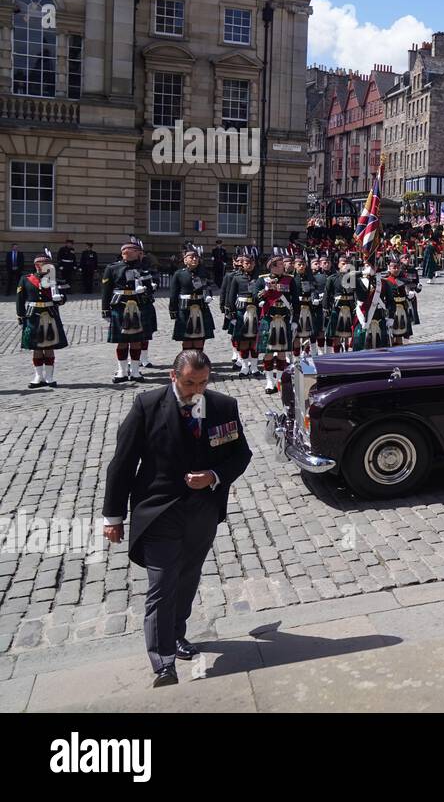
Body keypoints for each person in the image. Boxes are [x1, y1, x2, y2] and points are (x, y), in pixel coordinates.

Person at [103, 350, 253, 687]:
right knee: (161, 585)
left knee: (187, 578)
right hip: (159, 512)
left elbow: (241, 454)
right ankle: (163, 663)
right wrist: (113, 516)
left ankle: (176, 633)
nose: (196, 390)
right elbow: (122, 464)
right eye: (189, 382)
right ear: (174, 377)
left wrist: (214, 475)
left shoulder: (223, 406)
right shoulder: (147, 406)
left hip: (202, 512)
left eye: (202, 382)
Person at [102, 240, 157, 384]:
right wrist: (105, 310)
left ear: (138, 253)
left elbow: (151, 289)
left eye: (130, 250)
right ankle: (122, 371)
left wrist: (146, 287)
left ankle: (135, 371)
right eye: (124, 250)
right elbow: (106, 291)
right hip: (120, 306)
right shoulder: (112, 268)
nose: (126, 252)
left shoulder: (144, 268)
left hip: (139, 305)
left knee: (137, 340)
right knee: (121, 341)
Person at [17, 253, 68, 388]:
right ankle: (38, 376)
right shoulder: (26, 279)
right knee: (36, 347)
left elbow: (63, 298)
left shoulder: (54, 279)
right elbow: (20, 299)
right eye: (42, 264)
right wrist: (21, 315)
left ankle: (49, 377)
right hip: (33, 315)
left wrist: (60, 299)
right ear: (36, 265)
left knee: (49, 346)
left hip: (50, 314)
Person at [254, 250, 299, 394]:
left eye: (282, 264)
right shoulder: (262, 279)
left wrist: (295, 320)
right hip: (269, 318)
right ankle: (269, 381)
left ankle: (280, 379)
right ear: (272, 266)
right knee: (268, 352)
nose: (283, 267)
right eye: (279, 265)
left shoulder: (290, 280)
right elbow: (256, 295)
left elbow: (295, 301)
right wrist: (262, 297)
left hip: (284, 318)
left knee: (281, 352)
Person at [221, 248, 260, 375]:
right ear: (241, 264)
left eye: (251, 262)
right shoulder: (236, 278)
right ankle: (244, 366)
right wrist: (230, 314)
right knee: (243, 340)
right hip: (241, 311)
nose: (249, 264)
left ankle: (254, 366)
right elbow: (231, 296)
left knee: (254, 340)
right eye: (246, 262)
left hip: (256, 311)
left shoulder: (260, 278)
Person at [169, 247, 215, 354]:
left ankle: (198, 361)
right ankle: (187, 361)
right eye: (191, 257)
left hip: (201, 307)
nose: (194, 259)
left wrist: (209, 295)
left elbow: (209, 287)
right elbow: (174, 294)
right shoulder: (179, 274)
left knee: (200, 338)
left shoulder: (204, 272)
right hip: (185, 308)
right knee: (186, 339)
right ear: (185, 260)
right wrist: (173, 310)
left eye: (196, 257)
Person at [383, 256, 413, 346]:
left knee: (400, 332)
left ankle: (399, 348)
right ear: (389, 268)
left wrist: (411, 296)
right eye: (394, 267)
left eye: (398, 267)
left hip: (402, 308)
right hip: (391, 309)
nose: (396, 269)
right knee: (391, 333)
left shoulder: (404, 280)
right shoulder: (385, 281)